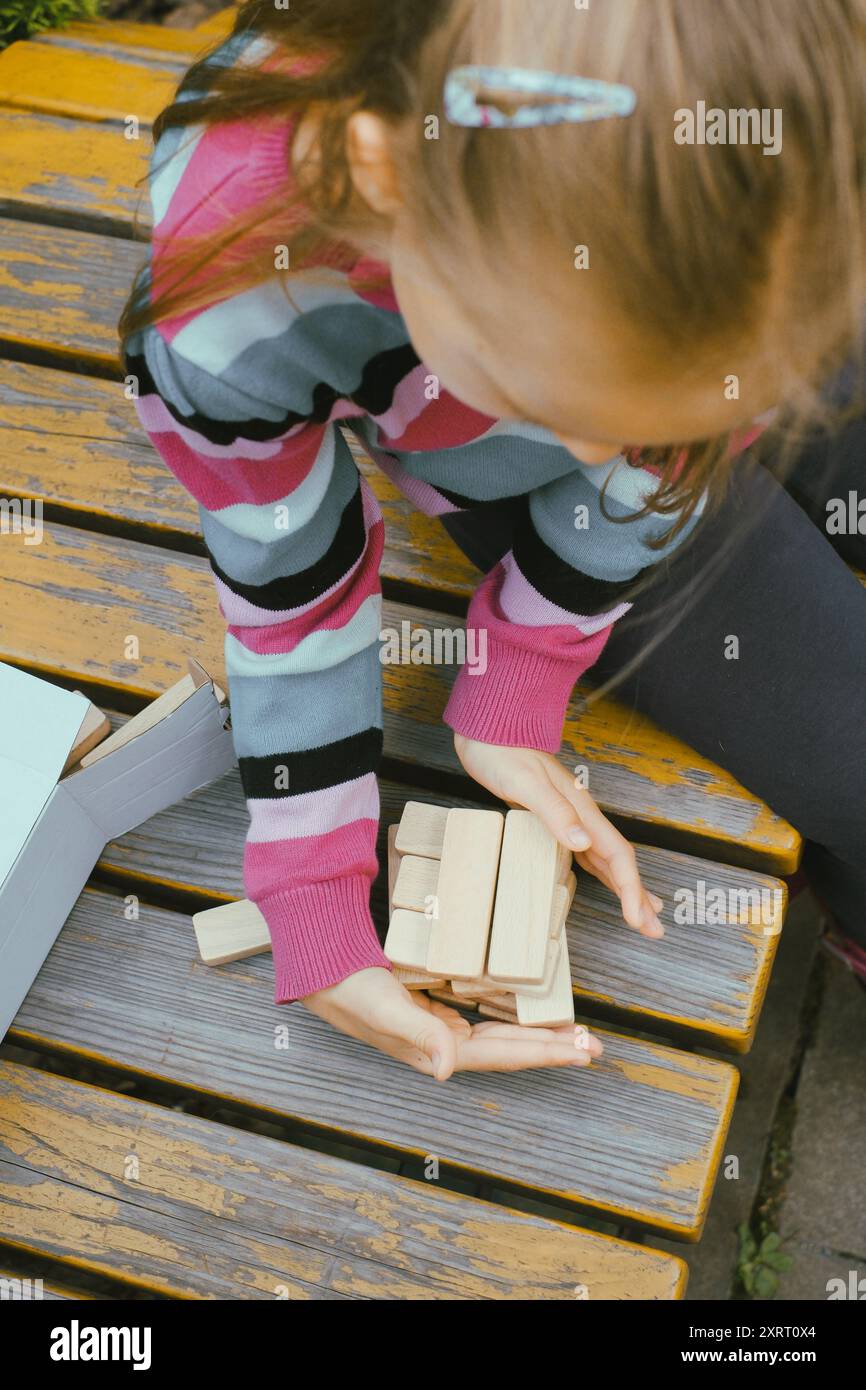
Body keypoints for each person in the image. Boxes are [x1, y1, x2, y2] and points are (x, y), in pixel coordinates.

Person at [119, 0, 866, 1080]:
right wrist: (311, 889)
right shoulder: (234, 295)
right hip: (495, 462)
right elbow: (290, 579)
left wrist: (523, 656)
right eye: (550, 393)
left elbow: (663, 448)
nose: (608, 448)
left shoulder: (782, 156)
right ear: (388, 184)